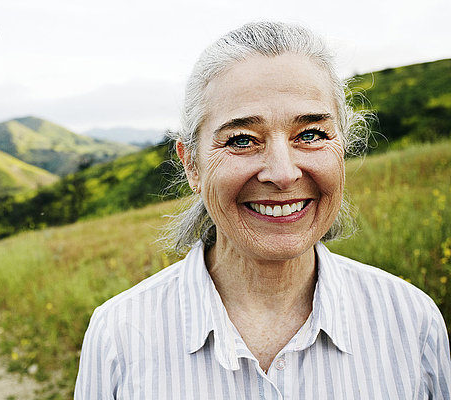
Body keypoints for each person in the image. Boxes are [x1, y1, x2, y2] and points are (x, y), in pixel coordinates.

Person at [75, 22, 451, 399]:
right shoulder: (119, 334)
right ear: (192, 165)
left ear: (343, 148)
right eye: (242, 140)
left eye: (311, 135)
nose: (283, 173)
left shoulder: (411, 322)